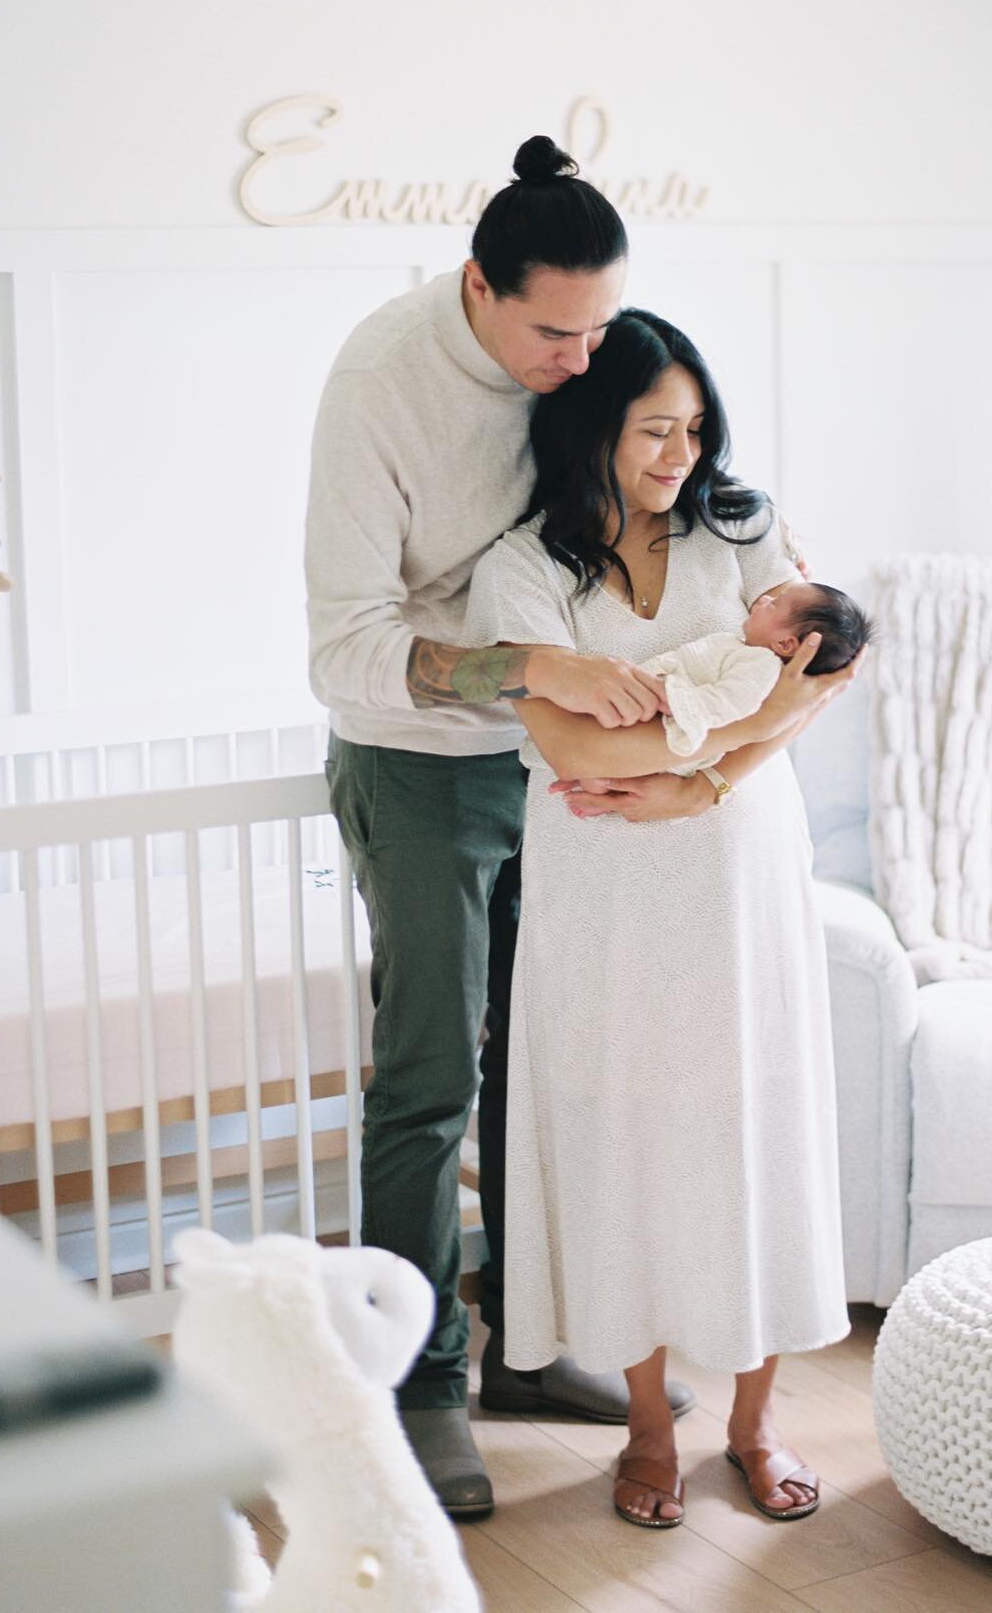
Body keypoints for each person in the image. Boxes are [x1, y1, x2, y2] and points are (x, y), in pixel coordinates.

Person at [306, 136, 696, 1522]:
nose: (578, 358)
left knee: (549, 1059)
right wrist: (529, 670)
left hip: (552, 760)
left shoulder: (583, 360)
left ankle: (528, 1345)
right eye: (553, 331)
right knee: (427, 1082)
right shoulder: (381, 384)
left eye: (596, 328)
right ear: (478, 286)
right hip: (418, 767)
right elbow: (347, 652)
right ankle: (416, 1383)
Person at [464, 308, 862, 1530]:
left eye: (694, 429)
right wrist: (727, 738)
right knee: (621, 1135)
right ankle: (649, 1426)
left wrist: (705, 776)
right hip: (600, 884)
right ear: (592, 428)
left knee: (751, 1121)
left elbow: (821, 674)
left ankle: (753, 1421)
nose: (679, 454)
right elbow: (572, 740)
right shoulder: (522, 570)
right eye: (652, 431)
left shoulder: (740, 526)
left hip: (737, 863)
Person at [643, 581, 873, 766]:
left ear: (785, 644)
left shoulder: (762, 668)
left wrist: (668, 697)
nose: (764, 599)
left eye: (774, 604)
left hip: (677, 727)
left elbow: (724, 703)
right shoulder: (746, 651)